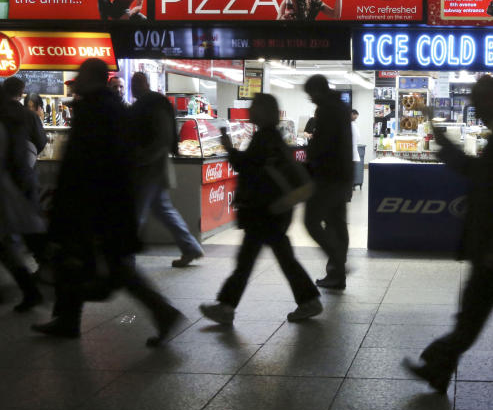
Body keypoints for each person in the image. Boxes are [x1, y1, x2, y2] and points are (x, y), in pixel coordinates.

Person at [403, 76, 493, 393]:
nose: (476, 112)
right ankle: (437, 368)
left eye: (478, 105)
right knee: (481, 315)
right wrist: (437, 129)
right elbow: (480, 173)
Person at [31, 59, 184, 344]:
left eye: (81, 75)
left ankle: (161, 312)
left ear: (93, 78)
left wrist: (67, 201)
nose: (77, 79)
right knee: (87, 261)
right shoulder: (110, 109)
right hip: (108, 202)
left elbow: (84, 162)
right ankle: (69, 318)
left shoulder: (95, 110)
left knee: (107, 266)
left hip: (95, 203)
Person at [199, 94, 323, 325]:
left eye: (254, 106)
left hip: (265, 211)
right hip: (272, 210)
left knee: (249, 261)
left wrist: (229, 149)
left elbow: (247, 167)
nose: (250, 110)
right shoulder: (271, 137)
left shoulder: (265, 138)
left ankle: (227, 307)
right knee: (271, 258)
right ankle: (307, 300)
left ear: (264, 111)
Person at [129, 72, 204, 268]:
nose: (133, 87)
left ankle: (125, 258)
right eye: (133, 83)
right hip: (155, 163)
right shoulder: (154, 102)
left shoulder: (151, 104)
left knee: (137, 212)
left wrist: (143, 158)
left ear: (145, 83)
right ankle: (190, 248)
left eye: (136, 83)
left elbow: (161, 136)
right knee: (163, 209)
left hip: (149, 166)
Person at [303, 75, 353, 290]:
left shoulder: (326, 109)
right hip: (343, 174)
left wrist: (308, 162)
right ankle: (337, 274)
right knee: (337, 224)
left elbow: (322, 144)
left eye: (311, 95)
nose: (311, 99)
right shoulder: (341, 106)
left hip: (328, 176)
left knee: (311, 221)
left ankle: (337, 263)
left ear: (317, 91)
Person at [0, 109, 44, 312]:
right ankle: (30, 290)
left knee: (7, 246)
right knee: (6, 247)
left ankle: (30, 290)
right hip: (9, 188)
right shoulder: (11, 123)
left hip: (7, 190)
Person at [350, 108, 361, 193]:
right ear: (352, 114)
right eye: (355, 117)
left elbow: (357, 138)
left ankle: (351, 184)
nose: (355, 118)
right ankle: (351, 185)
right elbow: (357, 137)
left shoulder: (352, 124)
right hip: (350, 150)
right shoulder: (351, 124)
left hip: (351, 149)